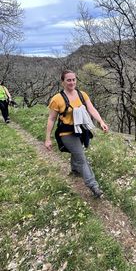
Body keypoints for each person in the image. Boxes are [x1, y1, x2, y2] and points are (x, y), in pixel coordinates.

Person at [45, 69, 109, 198]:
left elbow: (91, 108)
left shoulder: (82, 94)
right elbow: (51, 119)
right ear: (62, 82)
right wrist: (47, 139)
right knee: (82, 158)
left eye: (73, 79)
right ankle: (94, 187)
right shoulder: (57, 99)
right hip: (66, 132)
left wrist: (101, 121)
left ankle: (74, 170)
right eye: (68, 80)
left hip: (80, 130)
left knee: (78, 151)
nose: (71, 82)